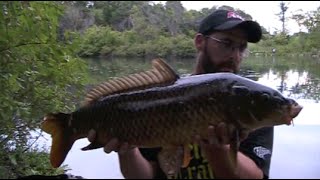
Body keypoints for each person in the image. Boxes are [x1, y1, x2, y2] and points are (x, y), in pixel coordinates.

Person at [87, 9, 273, 179]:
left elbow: (257, 176)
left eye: (241, 48)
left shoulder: (248, 103)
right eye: (226, 43)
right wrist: (127, 152)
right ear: (200, 42)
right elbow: (146, 175)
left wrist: (219, 150)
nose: (235, 55)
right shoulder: (161, 96)